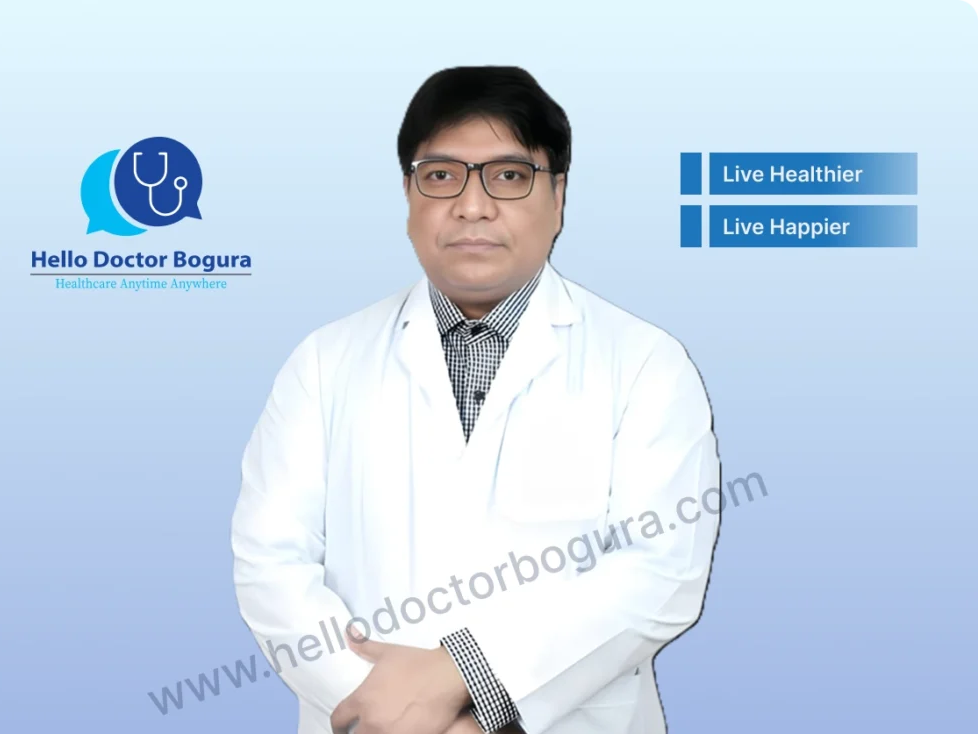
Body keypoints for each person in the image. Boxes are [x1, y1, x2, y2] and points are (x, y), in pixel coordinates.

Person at [231, 65, 721, 734]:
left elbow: (661, 574)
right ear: (408, 195)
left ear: (559, 197)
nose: (472, 206)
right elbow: (271, 564)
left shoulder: (646, 364)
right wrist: (389, 711)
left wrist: (468, 679)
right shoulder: (323, 362)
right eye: (441, 176)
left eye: (509, 176)